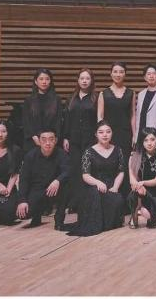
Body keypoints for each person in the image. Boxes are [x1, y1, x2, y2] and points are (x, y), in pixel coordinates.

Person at [67, 121, 126, 236]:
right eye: (101, 132)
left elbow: (121, 172)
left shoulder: (118, 150)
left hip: (110, 185)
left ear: (112, 133)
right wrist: (98, 183)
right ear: (96, 134)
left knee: (117, 199)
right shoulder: (89, 151)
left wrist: (115, 187)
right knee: (95, 195)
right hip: (93, 186)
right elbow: (85, 175)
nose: (105, 135)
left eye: (108, 132)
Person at [16, 128, 69, 229]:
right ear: (39, 141)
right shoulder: (30, 156)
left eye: (51, 139)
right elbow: (24, 179)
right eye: (44, 139)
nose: (47, 143)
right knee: (23, 214)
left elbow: (68, 171)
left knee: (66, 185)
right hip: (37, 189)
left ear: (56, 140)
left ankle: (59, 220)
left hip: (55, 189)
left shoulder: (61, 154)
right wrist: (22, 200)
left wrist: (57, 180)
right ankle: (37, 216)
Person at [63, 69, 98, 219]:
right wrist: (65, 137)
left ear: (91, 81)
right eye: (82, 78)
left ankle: (88, 202)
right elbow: (66, 120)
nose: (84, 81)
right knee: (75, 171)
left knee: (88, 170)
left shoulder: (96, 98)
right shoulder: (71, 98)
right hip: (74, 140)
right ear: (78, 80)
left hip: (90, 140)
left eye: (87, 78)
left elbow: (99, 119)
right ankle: (74, 202)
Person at [98, 61, 135, 194]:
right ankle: (109, 194)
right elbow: (100, 116)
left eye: (121, 72)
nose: (118, 74)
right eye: (115, 71)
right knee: (110, 163)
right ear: (111, 74)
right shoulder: (103, 93)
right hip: (109, 135)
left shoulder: (131, 93)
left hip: (125, 134)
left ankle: (125, 198)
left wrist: (134, 135)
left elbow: (132, 115)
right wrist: (101, 135)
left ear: (125, 74)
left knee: (124, 164)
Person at [127, 127, 156, 228]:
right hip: (137, 190)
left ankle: (151, 216)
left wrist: (142, 183)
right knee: (134, 195)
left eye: (152, 139)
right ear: (142, 142)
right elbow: (132, 179)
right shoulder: (133, 156)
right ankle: (134, 215)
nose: (149, 143)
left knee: (147, 215)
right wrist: (139, 187)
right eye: (146, 140)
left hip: (154, 194)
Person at [23, 68, 63, 151]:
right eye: (41, 79)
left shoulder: (57, 99)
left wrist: (54, 137)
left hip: (51, 141)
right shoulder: (29, 100)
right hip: (33, 140)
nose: (44, 82)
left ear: (50, 81)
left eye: (47, 79)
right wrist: (34, 136)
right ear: (36, 81)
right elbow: (26, 121)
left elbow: (59, 121)